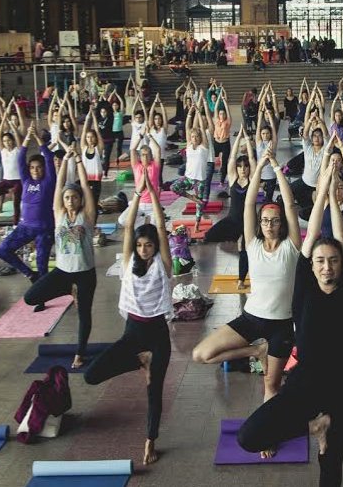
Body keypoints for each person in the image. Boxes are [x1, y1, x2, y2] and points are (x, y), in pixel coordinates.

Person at [237, 173, 343, 487]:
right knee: (249, 436)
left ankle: (325, 435)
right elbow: (308, 245)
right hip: (306, 383)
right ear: (311, 266)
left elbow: (342, 241)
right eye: (320, 261)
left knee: (330, 465)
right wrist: (321, 193)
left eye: (333, 261)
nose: (327, 267)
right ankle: (315, 427)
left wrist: (336, 202)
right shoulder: (304, 292)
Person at [191, 149, 301, 418]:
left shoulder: (292, 247)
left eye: (275, 221)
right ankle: (255, 350)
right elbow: (249, 202)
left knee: (271, 384)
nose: (269, 225)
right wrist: (259, 165)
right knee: (201, 354)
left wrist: (274, 167)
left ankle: (266, 434)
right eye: (265, 221)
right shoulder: (252, 245)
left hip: (282, 325)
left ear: (282, 224)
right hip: (251, 318)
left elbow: (288, 205)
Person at [83, 162, 173, 466]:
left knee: (154, 392)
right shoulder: (127, 263)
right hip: (133, 333)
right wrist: (138, 194)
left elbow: (161, 227)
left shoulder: (163, 264)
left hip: (158, 333)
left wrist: (154, 196)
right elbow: (128, 224)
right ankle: (139, 359)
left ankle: (150, 441)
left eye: (149, 245)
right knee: (91, 375)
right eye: (141, 245)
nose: (145, 249)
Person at [24, 144, 97, 368]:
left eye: (74, 197)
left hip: (85, 274)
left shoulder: (87, 216)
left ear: (80, 199)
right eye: (67, 198)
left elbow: (85, 185)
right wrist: (65, 161)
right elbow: (57, 185)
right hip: (64, 273)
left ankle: (80, 353)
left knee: (84, 315)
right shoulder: (59, 215)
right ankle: (68, 290)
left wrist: (78, 162)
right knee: (30, 297)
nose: (70, 201)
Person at [0, 129, 56, 281]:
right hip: (25, 227)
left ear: (44, 169)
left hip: (44, 229)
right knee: (3, 251)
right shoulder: (26, 181)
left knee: (42, 265)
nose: (35, 170)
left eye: (39, 167)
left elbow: (48, 158)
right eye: (32, 167)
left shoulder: (48, 182)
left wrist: (37, 138)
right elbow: (20, 159)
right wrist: (27, 139)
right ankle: (30, 274)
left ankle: (41, 297)